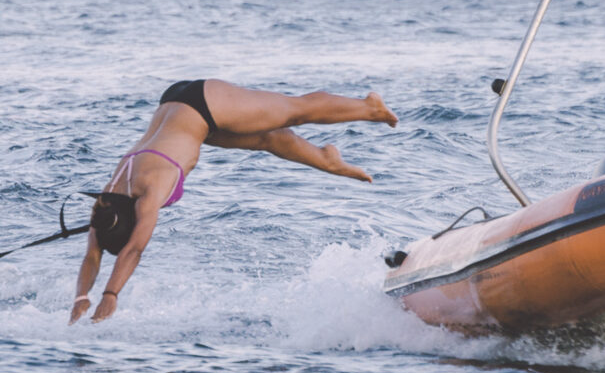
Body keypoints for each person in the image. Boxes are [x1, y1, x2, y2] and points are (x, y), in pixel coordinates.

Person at [71, 79, 399, 322]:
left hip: (205, 103)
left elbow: (134, 249)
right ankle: (327, 159)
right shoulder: (107, 203)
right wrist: (81, 299)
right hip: (177, 107)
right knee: (265, 138)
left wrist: (111, 296)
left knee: (293, 112)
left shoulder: (150, 191)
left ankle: (368, 107)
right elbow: (92, 254)